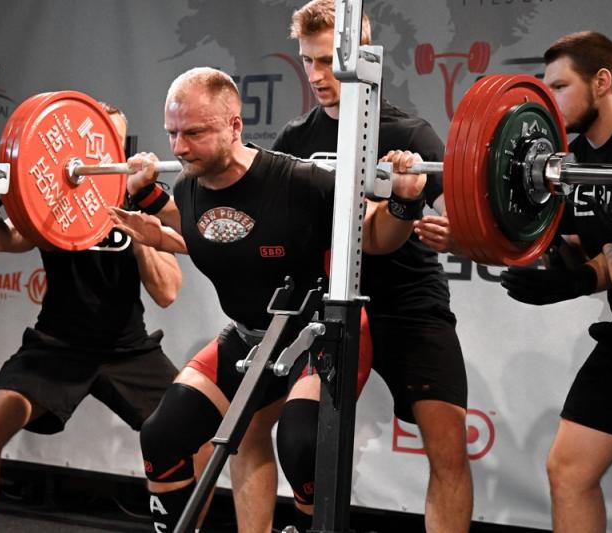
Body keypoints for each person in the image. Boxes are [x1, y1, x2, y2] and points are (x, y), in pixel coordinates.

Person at [109, 66, 427, 533]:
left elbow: (377, 238)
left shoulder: (300, 182)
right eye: (172, 133)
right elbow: (206, 230)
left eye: (194, 133)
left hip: (321, 336)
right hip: (250, 337)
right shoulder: (189, 186)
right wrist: (148, 197)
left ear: (235, 126)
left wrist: (404, 202)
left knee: (301, 444)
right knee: (162, 436)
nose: (179, 148)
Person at [267, 2, 472, 531]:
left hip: (409, 304)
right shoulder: (295, 141)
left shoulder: (410, 134)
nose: (317, 75)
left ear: (362, 57)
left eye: (328, 62)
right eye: (307, 61)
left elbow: (458, 215)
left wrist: (458, 231)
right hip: (333, 306)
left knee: (448, 450)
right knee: (297, 439)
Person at [0, 105, 184, 533]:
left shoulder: (142, 200)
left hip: (128, 351)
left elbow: (167, 292)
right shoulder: (55, 198)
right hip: (57, 347)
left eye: (113, 143)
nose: (103, 152)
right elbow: (5, 240)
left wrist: (137, 227)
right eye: (95, 142)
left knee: (195, 434)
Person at [499, 31, 612, 533]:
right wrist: (562, 271)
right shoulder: (571, 163)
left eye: (560, 87)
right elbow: (595, 252)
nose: (549, 100)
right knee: (569, 471)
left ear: (601, 82)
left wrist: (601, 261)